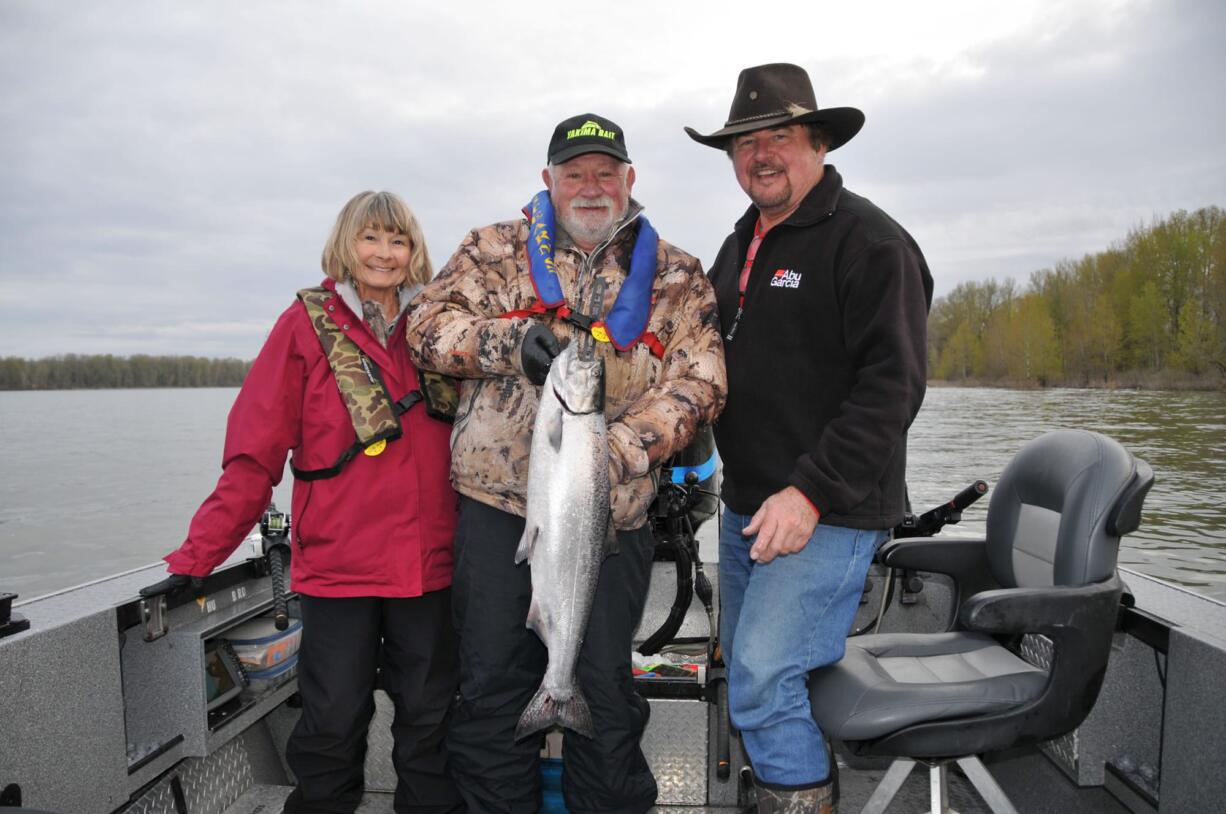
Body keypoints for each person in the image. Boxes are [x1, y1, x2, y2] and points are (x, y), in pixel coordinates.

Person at [406, 113, 726, 813]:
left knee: (607, 695)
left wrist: (609, 449)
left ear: (629, 180)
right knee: (489, 692)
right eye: (574, 173)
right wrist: (506, 344)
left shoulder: (677, 274)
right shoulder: (491, 250)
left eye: (605, 172)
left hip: (609, 521)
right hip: (497, 518)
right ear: (548, 180)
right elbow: (424, 329)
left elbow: (701, 384)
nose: (590, 186)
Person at [139, 191, 464, 814]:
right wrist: (198, 554)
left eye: (398, 241)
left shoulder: (439, 327)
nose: (384, 253)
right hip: (339, 572)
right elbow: (253, 454)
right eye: (371, 238)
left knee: (430, 726)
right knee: (331, 725)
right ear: (346, 244)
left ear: (414, 251)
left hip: (431, 569)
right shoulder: (302, 326)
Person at [685, 64, 934, 812]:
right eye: (744, 142)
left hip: (822, 511)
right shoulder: (738, 248)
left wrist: (809, 492)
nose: (760, 154)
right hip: (746, 509)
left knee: (762, 676)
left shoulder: (870, 242)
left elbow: (893, 390)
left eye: (780, 137)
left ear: (818, 143)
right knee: (754, 674)